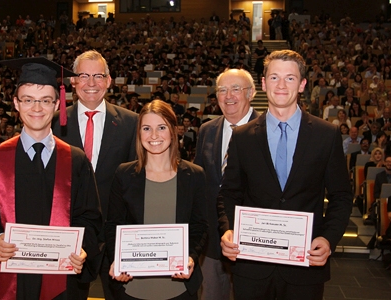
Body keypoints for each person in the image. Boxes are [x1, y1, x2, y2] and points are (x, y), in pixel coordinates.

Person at [0, 57, 102, 299]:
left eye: (45, 100)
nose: (37, 108)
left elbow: (91, 219)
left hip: (61, 283)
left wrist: (82, 249)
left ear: (57, 105)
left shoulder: (76, 161)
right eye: (28, 100)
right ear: (16, 103)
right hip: (9, 280)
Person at [218, 50, 352, 300]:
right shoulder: (242, 137)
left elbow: (341, 196)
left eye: (290, 78)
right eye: (274, 77)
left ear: (302, 84)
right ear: (263, 83)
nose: (281, 85)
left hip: (305, 267)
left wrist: (328, 238)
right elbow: (229, 193)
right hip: (252, 267)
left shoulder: (327, 134)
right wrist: (228, 229)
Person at [51, 50, 138, 300]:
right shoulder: (54, 123)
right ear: (73, 81)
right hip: (71, 234)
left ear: (109, 81)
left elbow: (134, 182)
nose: (91, 83)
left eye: (98, 76)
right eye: (84, 76)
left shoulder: (130, 122)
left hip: (115, 233)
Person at [105, 100, 208, 300]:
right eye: (146, 128)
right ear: (139, 133)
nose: (154, 136)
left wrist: (190, 258)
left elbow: (200, 226)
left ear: (173, 130)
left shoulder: (194, 175)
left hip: (179, 287)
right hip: (132, 286)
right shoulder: (124, 174)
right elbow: (113, 225)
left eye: (161, 127)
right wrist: (117, 259)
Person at [194, 68, 260, 300]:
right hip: (212, 240)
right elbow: (199, 183)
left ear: (251, 93)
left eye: (236, 89)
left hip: (254, 241)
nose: (228, 96)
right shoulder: (207, 130)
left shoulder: (267, 130)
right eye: (222, 90)